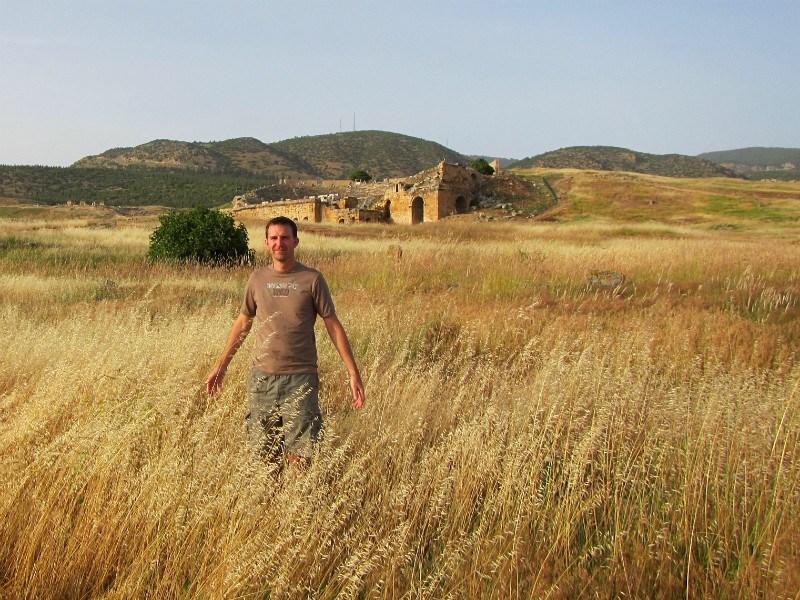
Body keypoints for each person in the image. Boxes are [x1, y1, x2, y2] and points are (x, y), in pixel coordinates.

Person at [205, 216, 365, 467]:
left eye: (285, 238)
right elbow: (243, 322)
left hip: (300, 378)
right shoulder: (257, 279)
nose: (280, 243)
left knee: (301, 457)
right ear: (267, 243)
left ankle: (296, 493)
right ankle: (272, 494)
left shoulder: (312, 279)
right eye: (274, 238)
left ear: (295, 241)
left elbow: (332, 324)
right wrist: (221, 366)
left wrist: (353, 372)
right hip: (263, 379)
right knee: (265, 456)